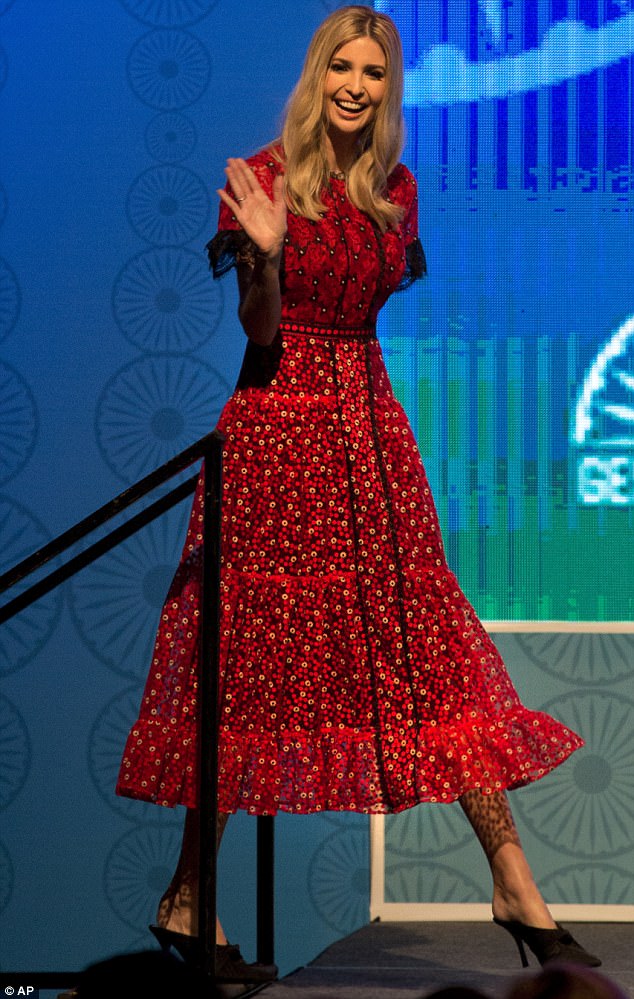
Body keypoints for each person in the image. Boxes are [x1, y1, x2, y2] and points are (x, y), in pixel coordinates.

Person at [115, 4, 601, 980]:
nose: (356, 85)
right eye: (342, 66)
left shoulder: (395, 190)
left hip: (371, 432)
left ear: (389, 90)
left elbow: (367, 309)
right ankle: (187, 893)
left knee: (427, 646)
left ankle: (511, 878)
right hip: (278, 431)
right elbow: (261, 333)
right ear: (316, 75)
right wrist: (266, 252)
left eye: (374, 73)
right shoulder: (260, 180)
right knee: (247, 661)